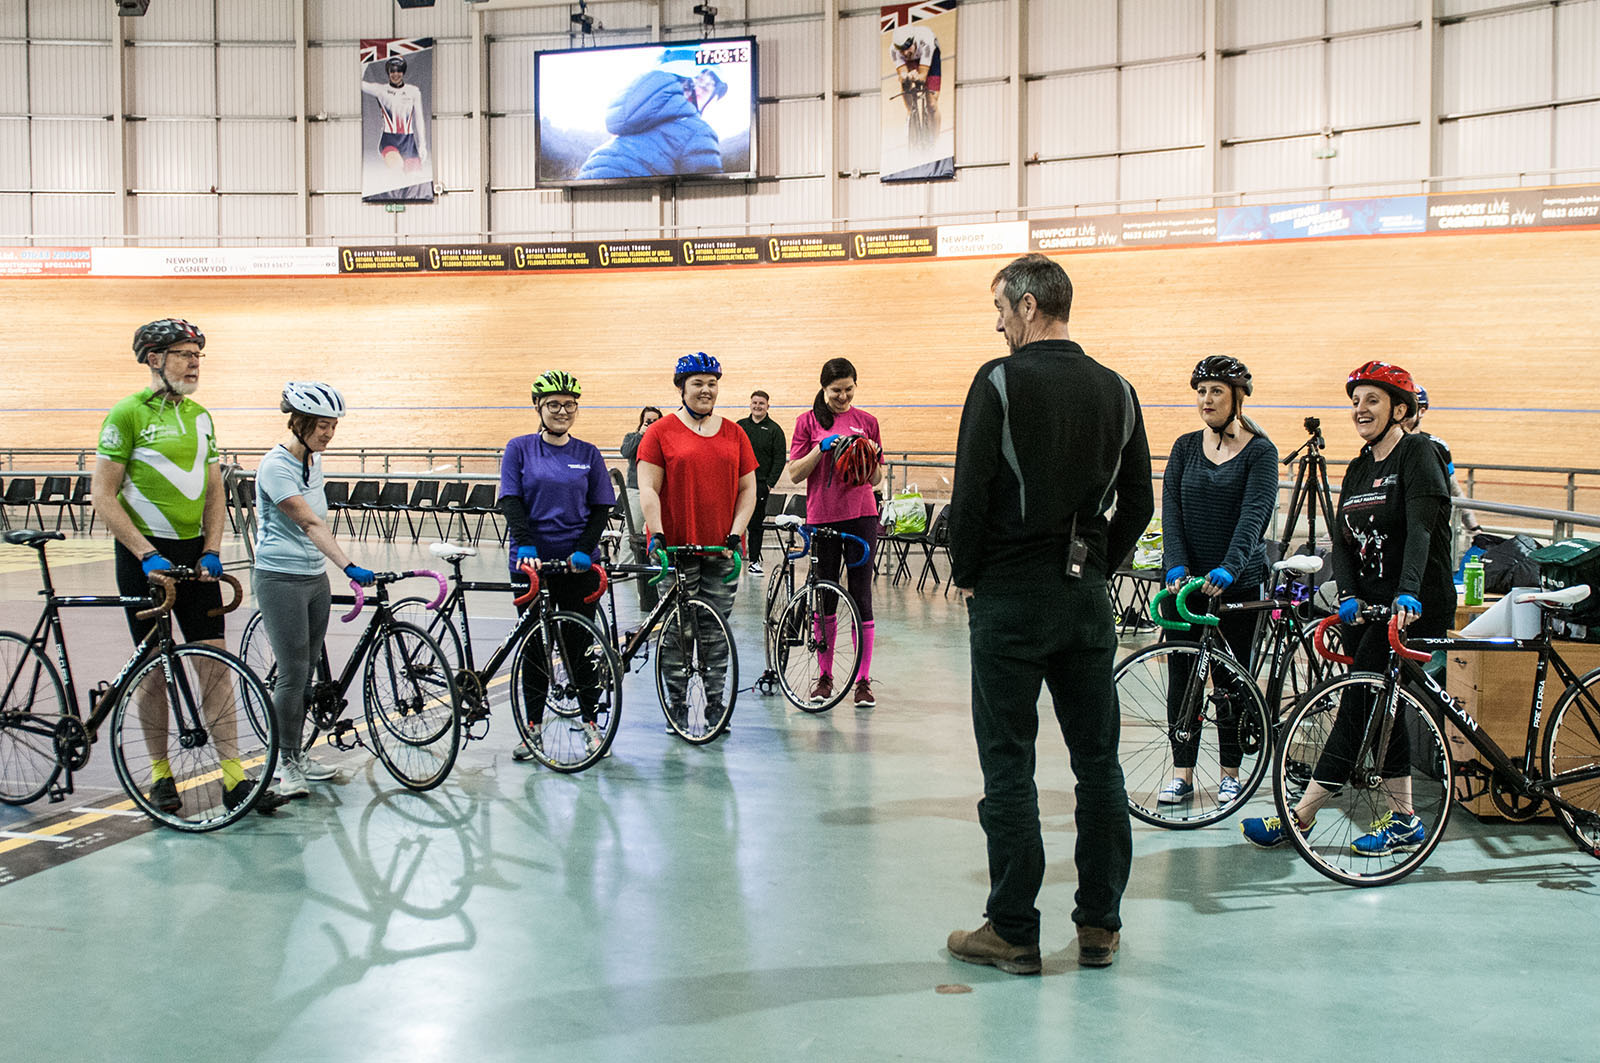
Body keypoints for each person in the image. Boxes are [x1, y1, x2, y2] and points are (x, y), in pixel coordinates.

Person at [946, 254, 1153, 974]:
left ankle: (1013, 929)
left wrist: (967, 573)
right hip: (1085, 602)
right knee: (1099, 765)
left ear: (1029, 306)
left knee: (1010, 765)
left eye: (1001, 306)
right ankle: (1099, 923)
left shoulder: (998, 380)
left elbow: (970, 494)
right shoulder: (1120, 390)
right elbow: (1141, 504)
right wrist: (1097, 565)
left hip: (1008, 599)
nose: (997, 320)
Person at [1241, 361, 1455, 854]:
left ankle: (1301, 815)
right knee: (1384, 706)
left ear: (1400, 409)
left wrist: (1408, 593)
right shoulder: (1360, 465)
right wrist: (1349, 592)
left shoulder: (1418, 454)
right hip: (1371, 608)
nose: (1361, 409)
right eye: (1356, 401)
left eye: (1373, 400)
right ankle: (1405, 821)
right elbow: (1342, 540)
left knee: (1357, 702)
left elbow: (1421, 532)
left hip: (1415, 604)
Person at [92, 318, 257, 813]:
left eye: (198, 355)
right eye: (185, 354)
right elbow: (102, 493)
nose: (194, 363)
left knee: (214, 665)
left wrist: (211, 547)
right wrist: (145, 553)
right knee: (152, 668)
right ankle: (161, 775)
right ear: (154, 359)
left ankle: (232, 777)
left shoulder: (202, 417)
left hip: (194, 555)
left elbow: (213, 490)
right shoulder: (127, 414)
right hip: (146, 557)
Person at [1155, 356, 1279, 807]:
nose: (1206, 400)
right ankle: (1182, 773)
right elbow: (1172, 512)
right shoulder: (1185, 447)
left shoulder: (1260, 453)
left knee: (1230, 679)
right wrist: (1176, 567)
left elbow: (1253, 517)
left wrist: (1228, 568)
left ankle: (1230, 773)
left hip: (1235, 587)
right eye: (1202, 392)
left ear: (1237, 398)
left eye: (1217, 392)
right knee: (1182, 679)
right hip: (1184, 588)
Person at [251, 382, 375, 798]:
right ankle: (285, 763)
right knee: (292, 674)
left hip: (313, 577)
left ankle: (300, 754)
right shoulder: (275, 466)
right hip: (280, 578)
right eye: (322, 426)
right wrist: (349, 565)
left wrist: (330, 567)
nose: (329, 434)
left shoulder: (313, 460)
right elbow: (309, 523)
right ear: (300, 422)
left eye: (333, 427)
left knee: (306, 675)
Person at [498, 371, 618, 762]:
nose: (562, 411)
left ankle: (590, 724)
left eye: (569, 405)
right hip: (530, 562)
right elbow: (511, 500)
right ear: (539, 408)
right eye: (554, 405)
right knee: (534, 646)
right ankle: (532, 728)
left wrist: (585, 548)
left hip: (576, 563)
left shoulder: (588, 454)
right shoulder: (519, 449)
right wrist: (527, 543)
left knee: (579, 646)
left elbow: (601, 507)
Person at [636, 353, 758, 730]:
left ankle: (716, 706)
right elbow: (648, 489)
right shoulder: (660, 433)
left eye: (712, 383)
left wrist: (735, 533)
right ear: (681, 388)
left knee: (715, 633)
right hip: (677, 551)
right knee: (677, 634)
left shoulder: (734, 433)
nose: (706, 390)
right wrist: (657, 532)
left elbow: (748, 489)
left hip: (720, 551)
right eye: (697, 383)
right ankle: (675, 707)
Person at [783, 360, 884, 708]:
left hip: (861, 517)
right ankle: (825, 677)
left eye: (848, 389)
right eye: (835, 390)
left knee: (861, 598)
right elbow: (795, 473)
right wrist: (821, 448)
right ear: (823, 389)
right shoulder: (806, 422)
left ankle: (863, 681)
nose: (842, 396)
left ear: (855, 386)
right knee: (823, 596)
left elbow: (877, 480)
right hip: (823, 518)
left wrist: (866, 454)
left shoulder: (868, 422)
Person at [577, 67, 722, 180]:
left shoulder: (628, 126)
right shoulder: (698, 131)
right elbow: (708, 198)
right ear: (691, 90)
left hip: (584, 197)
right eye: (705, 88)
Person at [1404, 385, 1482, 537]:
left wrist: (1474, 529)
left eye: (1410, 408)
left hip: (1430, 529)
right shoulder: (1383, 446)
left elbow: (1455, 490)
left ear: (1422, 410)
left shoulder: (1438, 447)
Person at [737, 390, 787, 576]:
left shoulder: (774, 430)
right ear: (750, 404)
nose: (757, 406)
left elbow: (779, 458)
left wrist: (769, 483)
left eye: (761, 404)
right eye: (755, 403)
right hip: (738, 483)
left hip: (759, 485)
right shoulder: (740, 426)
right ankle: (727, 557)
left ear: (767, 406)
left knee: (755, 523)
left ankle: (754, 561)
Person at [361, 56, 430, 177]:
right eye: (392, 71)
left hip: (409, 142)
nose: (395, 74)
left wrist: (422, 144)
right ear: (388, 72)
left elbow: (419, 118)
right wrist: (365, 61)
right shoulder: (380, 89)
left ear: (403, 72)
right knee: (397, 172)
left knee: (413, 181)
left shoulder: (413, 91)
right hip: (389, 140)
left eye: (399, 70)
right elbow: (359, 84)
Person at [891, 25, 942, 138]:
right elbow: (902, 73)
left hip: (930, 57)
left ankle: (934, 141)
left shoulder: (926, 42)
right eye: (901, 50)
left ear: (914, 41)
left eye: (907, 48)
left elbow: (923, 76)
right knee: (905, 81)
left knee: (932, 105)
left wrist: (918, 76)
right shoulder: (894, 50)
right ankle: (910, 112)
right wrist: (906, 77)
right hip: (912, 60)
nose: (904, 53)